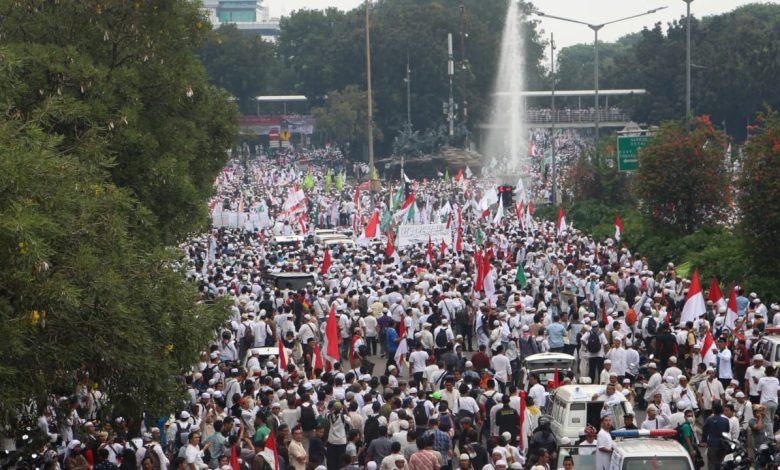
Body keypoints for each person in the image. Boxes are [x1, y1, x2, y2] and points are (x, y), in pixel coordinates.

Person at [702, 402, 730, 470]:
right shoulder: (726, 420)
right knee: (719, 463)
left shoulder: (709, 419)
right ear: (721, 410)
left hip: (712, 444)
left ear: (713, 410)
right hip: (722, 444)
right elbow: (727, 431)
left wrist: (704, 439)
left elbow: (704, 429)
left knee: (711, 462)